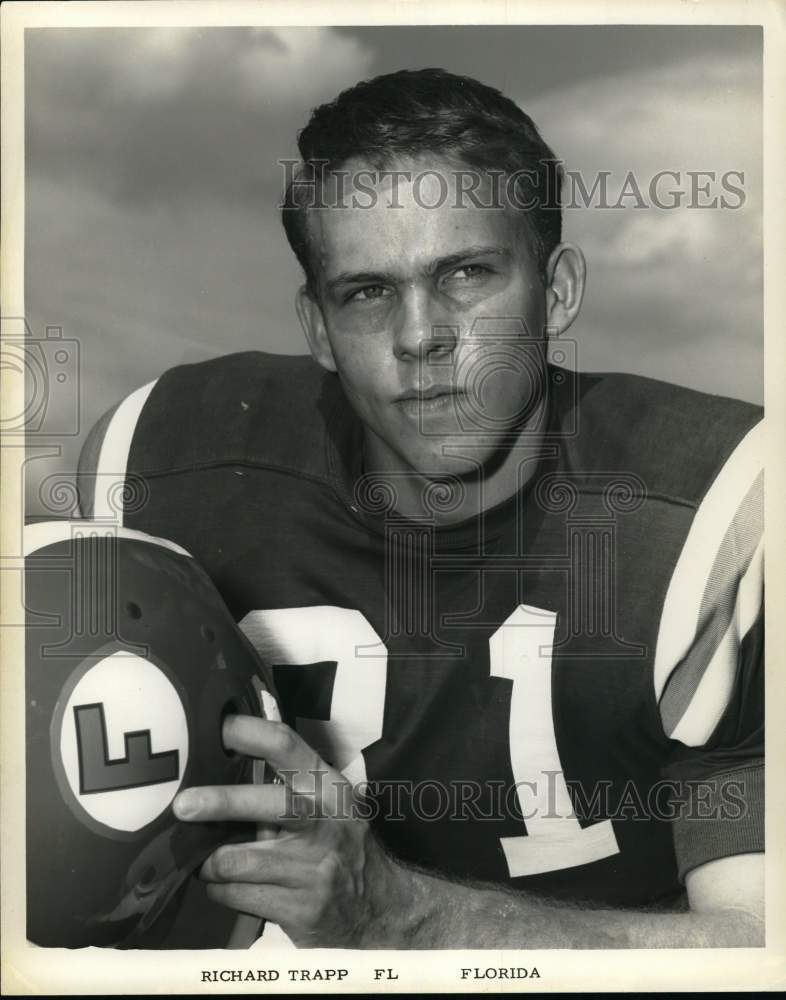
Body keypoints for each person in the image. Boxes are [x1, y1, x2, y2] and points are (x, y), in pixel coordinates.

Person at [78, 68, 764, 948]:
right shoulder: (163, 465)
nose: (419, 337)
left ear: (556, 292)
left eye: (466, 274)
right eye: (367, 292)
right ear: (318, 328)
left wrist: (404, 917)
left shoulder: (712, 512)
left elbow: (761, 946)